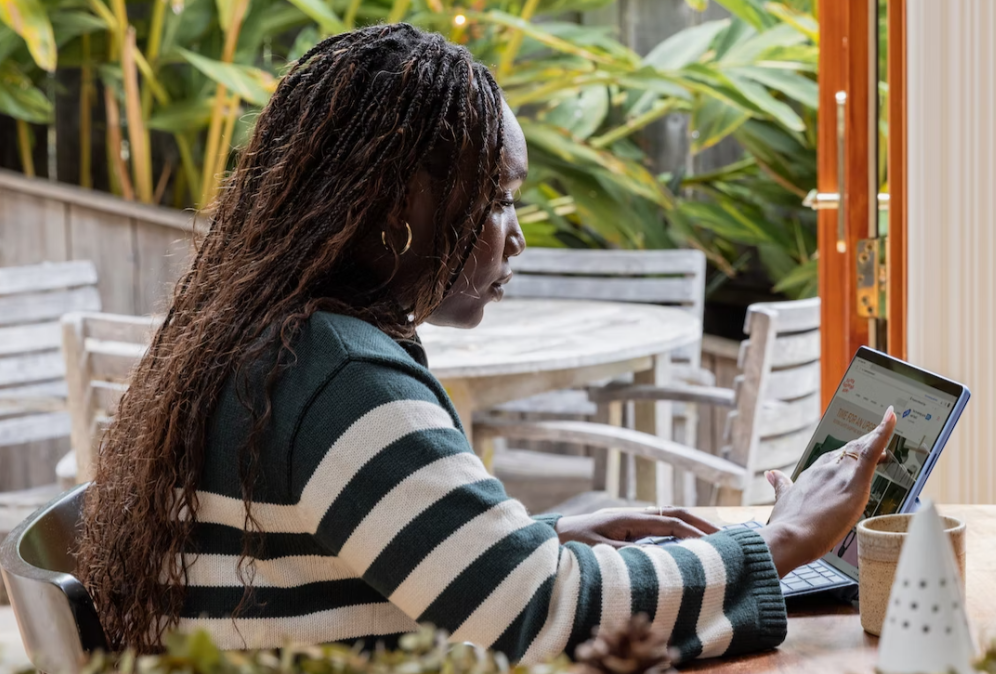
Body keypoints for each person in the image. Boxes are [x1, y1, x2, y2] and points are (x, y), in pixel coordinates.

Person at [76, 23, 898, 664]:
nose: (517, 238)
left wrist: (533, 539)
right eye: (499, 199)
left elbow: (461, 574)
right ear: (400, 205)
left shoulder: (272, 339)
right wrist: (780, 541)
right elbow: (540, 615)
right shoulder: (338, 377)